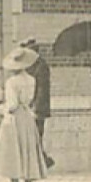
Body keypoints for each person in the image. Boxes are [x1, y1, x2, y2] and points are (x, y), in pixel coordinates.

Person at [0, 47, 48, 182]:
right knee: (28, 151)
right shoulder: (32, 80)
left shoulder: (12, 82)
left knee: (12, 153)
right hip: (27, 116)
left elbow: (12, 105)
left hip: (14, 120)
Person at [23, 38, 55, 169]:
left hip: (38, 109)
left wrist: (35, 109)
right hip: (31, 108)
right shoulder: (32, 65)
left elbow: (42, 90)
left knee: (36, 137)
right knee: (33, 137)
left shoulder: (41, 66)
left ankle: (42, 161)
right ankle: (41, 161)